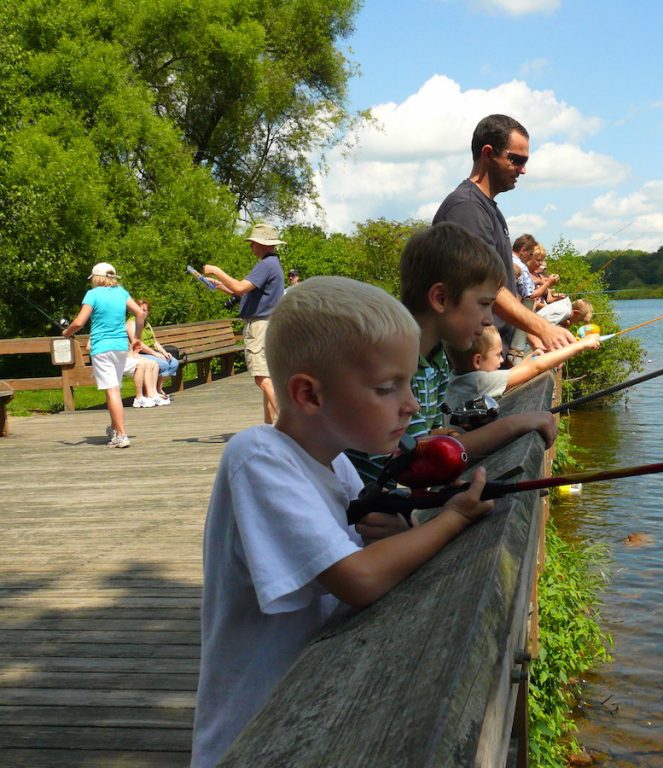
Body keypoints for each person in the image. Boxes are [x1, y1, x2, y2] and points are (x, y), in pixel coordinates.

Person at [190, 276, 495, 768]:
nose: (412, 404)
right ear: (309, 395)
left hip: (312, 708)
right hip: (252, 737)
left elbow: (368, 552)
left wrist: (400, 535)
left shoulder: (339, 464)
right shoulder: (257, 457)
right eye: (386, 387)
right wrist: (452, 519)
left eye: (409, 382)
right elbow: (357, 577)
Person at [343, 223, 558, 487]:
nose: (489, 320)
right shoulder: (394, 362)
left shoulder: (436, 357)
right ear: (441, 298)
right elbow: (420, 456)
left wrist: (440, 435)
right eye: (483, 304)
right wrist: (515, 425)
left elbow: (427, 437)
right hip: (371, 511)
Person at [432, 115, 575, 359]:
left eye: (525, 161)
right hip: (474, 364)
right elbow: (484, 285)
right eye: (516, 160)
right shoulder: (466, 209)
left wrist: (534, 337)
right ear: (488, 153)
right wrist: (542, 327)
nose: (523, 169)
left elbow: (506, 287)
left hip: (498, 356)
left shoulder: (489, 209)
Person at [203, 223, 285, 424]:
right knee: (267, 378)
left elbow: (239, 288)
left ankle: (290, 424)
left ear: (262, 244)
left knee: (261, 378)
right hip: (270, 325)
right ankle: (270, 428)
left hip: (260, 326)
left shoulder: (265, 265)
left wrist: (216, 271)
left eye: (253, 243)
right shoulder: (273, 264)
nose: (251, 247)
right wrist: (220, 286)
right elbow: (241, 290)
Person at [62, 262, 146, 448]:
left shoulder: (92, 294)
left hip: (102, 348)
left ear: (96, 278)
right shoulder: (121, 292)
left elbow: (79, 322)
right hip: (119, 347)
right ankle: (115, 429)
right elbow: (140, 313)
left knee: (112, 390)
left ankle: (121, 435)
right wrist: (137, 338)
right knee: (113, 389)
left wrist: (66, 332)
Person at [445, 325, 601, 408]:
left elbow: (509, 375)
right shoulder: (479, 382)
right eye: (498, 354)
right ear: (477, 361)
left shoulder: (458, 377)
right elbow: (537, 368)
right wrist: (580, 346)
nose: (501, 360)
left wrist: (527, 360)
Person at [131, 299, 179, 400]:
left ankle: (158, 389)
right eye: (140, 310)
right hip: (139, 353)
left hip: (151, 352)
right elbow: (138, 343)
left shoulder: (146, 324)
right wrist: (155, 354)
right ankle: (151, 392)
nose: (142, 312)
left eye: (145, 310)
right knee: (163, 364)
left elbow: (155, 341)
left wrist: (164, 352)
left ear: (148, 312)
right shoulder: (131, 323)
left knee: (173, 362)